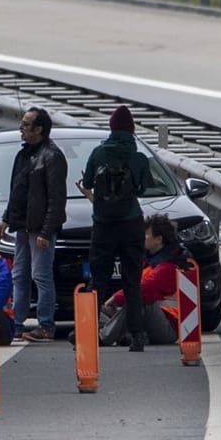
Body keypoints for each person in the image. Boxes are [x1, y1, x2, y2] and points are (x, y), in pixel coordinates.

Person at [81, 105, 154, 352]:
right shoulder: (138, 157)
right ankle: (137, 335)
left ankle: (88, 331)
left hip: (103, 224)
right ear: (132, 131)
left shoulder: (98, 153)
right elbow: (144, 189)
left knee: (98, 280)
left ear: (111, 128)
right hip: (131, 223)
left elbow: (89, 181)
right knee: (132, 281)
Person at [0, 106, 67, 343]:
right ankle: (16, 324)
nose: (21, 129)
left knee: (41, 275)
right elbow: (18, 191)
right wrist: (7, 218)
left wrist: (46, 231)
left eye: (26, 125)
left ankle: (46, 325)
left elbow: (57, 199)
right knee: (19, 275)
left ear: (39, 129)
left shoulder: (52, 156)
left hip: (39, 229)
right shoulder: (24, 154)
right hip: (22, 226)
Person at [100, 213, 185, 347]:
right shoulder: (151, 260)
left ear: (158, 239)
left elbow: (144, 289)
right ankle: (126, 335)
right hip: (152, 322)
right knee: (101, 309)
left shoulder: (168, 267)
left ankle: (104, 337)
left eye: (146, 234)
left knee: (136, 301)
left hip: (168, 328)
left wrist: (115, 298)